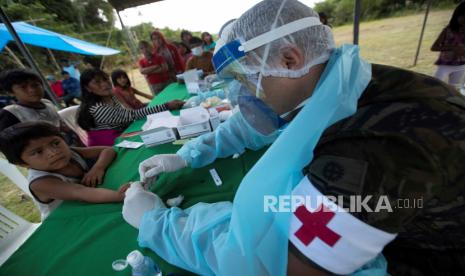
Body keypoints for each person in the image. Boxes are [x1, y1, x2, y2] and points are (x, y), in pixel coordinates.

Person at [123, 0, 465, 275]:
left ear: (289, 59)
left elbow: (275, 264)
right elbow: (258, 124)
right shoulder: (346, 80)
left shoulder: (372, 153)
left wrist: (159, 225)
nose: (242, 93)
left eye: (246, 78)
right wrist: (190, 153)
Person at [0, 122, 130, 215]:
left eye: (55, 143)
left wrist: (98, 168)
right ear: (22, 164)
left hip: (89, 205)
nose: (53, 152)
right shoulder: (40, 183)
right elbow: (81, 192)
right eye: (38, 152)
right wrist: (120, 196)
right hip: (66, 220)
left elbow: (108, 150)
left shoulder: (71, 153)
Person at [76, 68, 184, 146]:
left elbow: (127, 116)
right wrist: (166, 106)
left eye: (105, 79)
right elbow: (132, 115)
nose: (105, 84)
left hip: (120, 133)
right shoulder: (98, 108)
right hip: (107, 146)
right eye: (97, 82)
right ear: (88, 88)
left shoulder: (110, 97)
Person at [0, 69, 81, 146]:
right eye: (23, 87)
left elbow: (60, 125)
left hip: (66, 145)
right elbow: (6, 143)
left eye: (35, 85)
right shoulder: (10, 113)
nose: (32, 90)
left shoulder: (47, 103)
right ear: (11, 92)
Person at [432, 1, 465, 90]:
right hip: (445, 65)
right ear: (456, 15)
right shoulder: (448, 30)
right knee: (435, 87)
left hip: (461, 66)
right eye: (463, 15)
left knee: (455, 90)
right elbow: (434, 47)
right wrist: (452, 48)